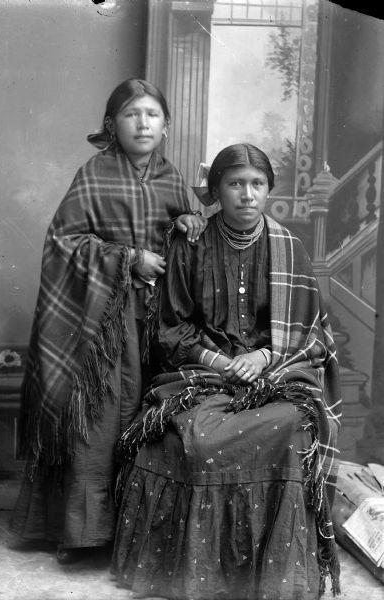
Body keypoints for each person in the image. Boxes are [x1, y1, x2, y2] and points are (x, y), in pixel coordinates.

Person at [112, 143, 342, 599]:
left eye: (257, 184)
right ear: (216, 188)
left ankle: (273, 572)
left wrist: (263, 358)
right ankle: (199, 573)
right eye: (235, 183)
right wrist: (221, 363)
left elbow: (310, 331)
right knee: (200, 436)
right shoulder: (190, 242)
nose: (247, 194)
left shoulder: (289, 247)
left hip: (273, 374)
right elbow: (172, 330)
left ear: (268, 190)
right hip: (201, 372)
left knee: (293, 426)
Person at [9, 78, 207, 564]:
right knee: (96, 420)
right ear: (111, 124)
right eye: (131, 114)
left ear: (166, 126)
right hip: (99, 323)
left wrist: (188, 223)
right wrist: (127, 259)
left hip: (158, 322)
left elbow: (192, 231)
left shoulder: (172, 178)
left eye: (152, 115)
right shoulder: (94, 174)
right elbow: (63, 243)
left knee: (148, 419)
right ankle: (81, 534)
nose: (142, 123)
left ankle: (134, 535)